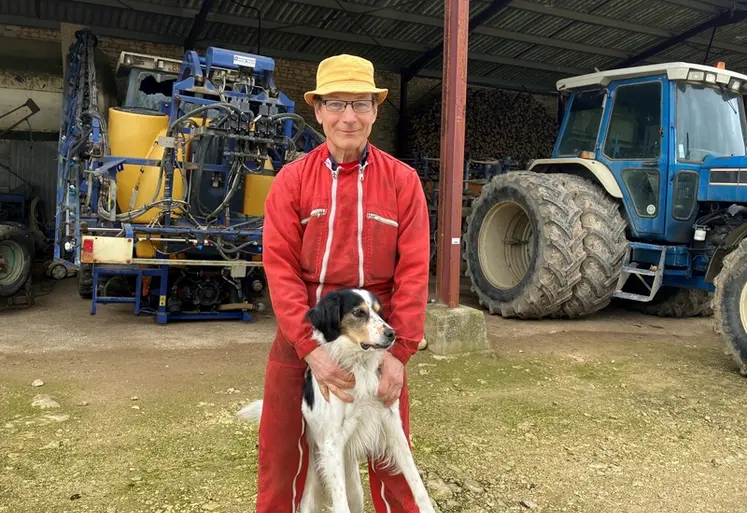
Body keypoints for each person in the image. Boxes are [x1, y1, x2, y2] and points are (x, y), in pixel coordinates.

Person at [256, 54, 431, 512]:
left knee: (393, 455)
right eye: (336, 104)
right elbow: (279, 267)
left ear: (375, 110)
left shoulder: (403, 182)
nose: (348, 117)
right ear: (317, 111)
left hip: (377, 347)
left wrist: (400, 352)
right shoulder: (292, 182)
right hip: (302, 340)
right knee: (280, 454)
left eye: (360, 104)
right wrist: (308, 347)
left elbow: (413, 273)